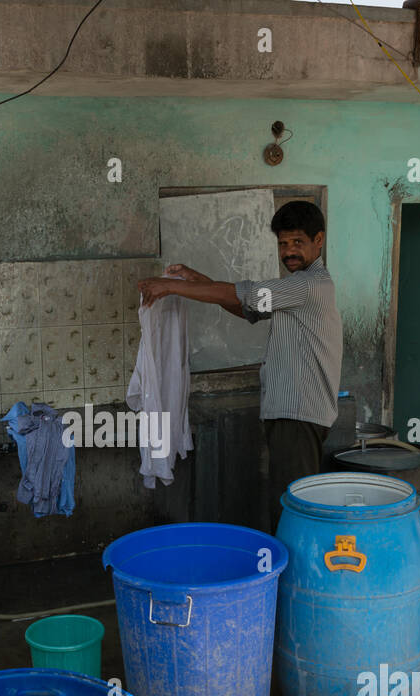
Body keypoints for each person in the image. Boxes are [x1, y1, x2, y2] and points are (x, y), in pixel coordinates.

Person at [137, 200, 343, 529]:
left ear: (319, 240)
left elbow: (246, 294)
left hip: (299, 414)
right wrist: (196, 280)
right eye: (283, 244)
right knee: (288, 500)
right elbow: (247, 308)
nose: (289, 251)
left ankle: (292, 576)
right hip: (291, 414)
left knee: (292, 507)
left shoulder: (307, 285)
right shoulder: (296, 288)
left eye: (298, 243)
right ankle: (287, 571)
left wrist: (173, 286)